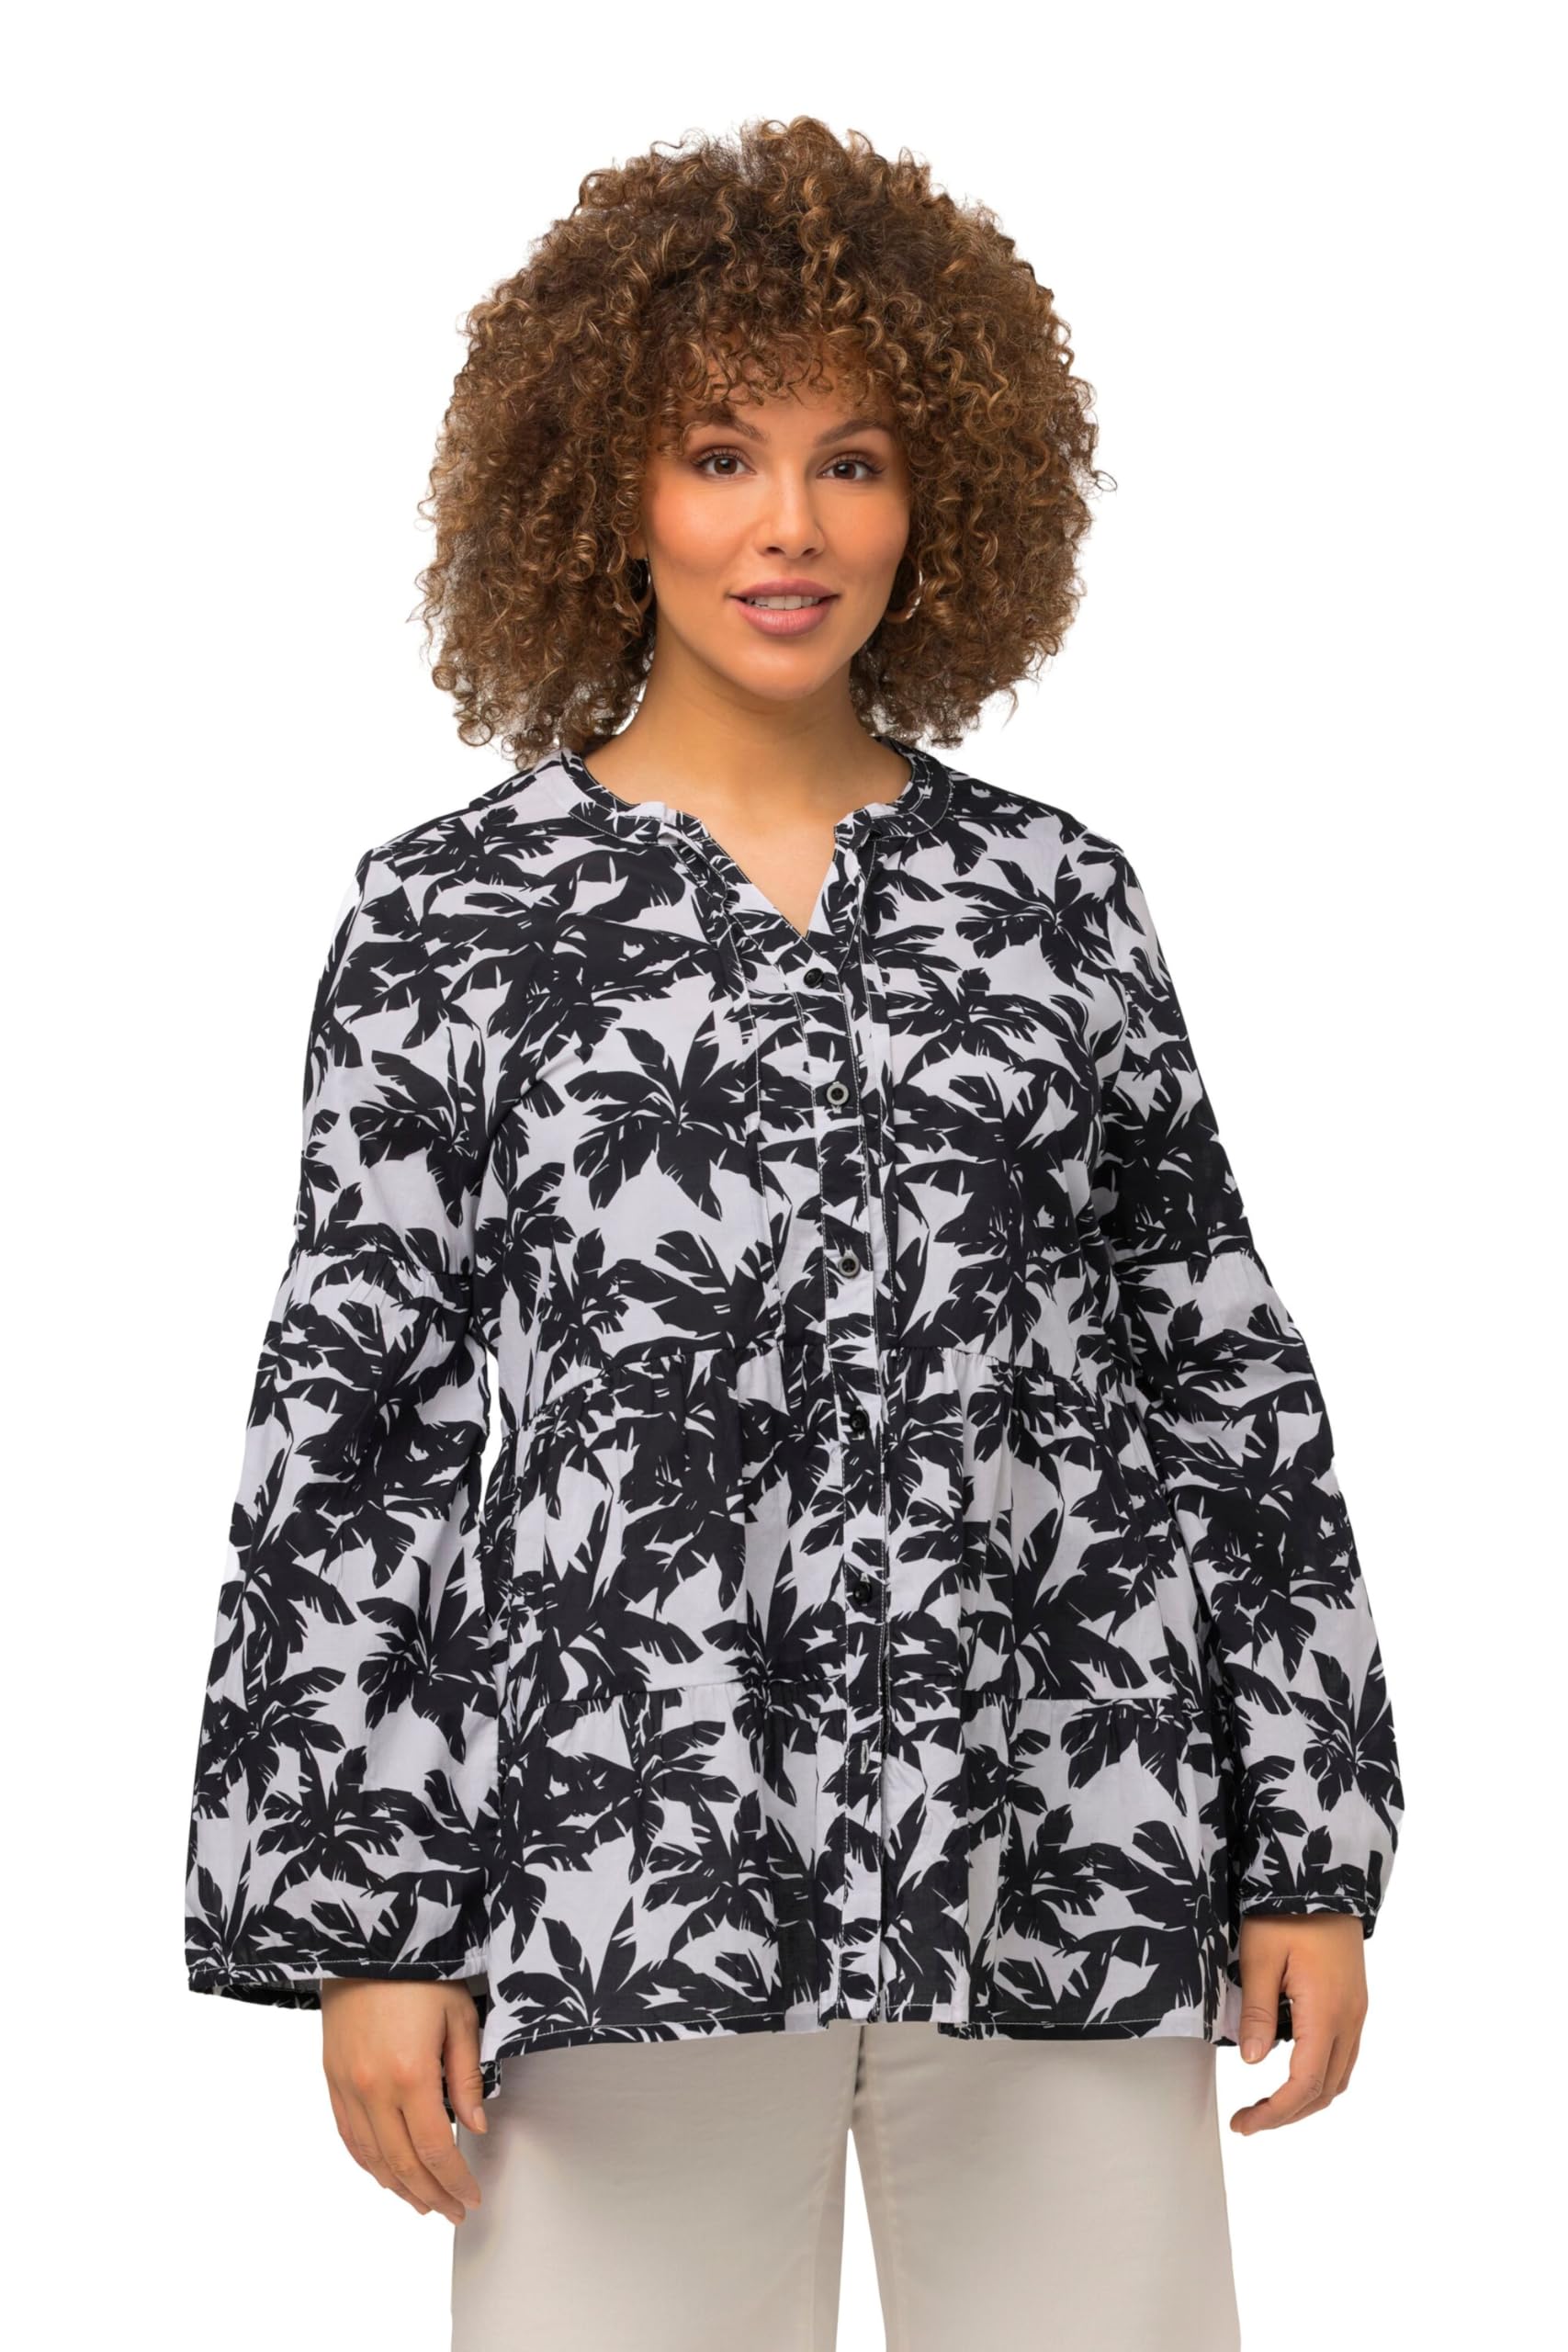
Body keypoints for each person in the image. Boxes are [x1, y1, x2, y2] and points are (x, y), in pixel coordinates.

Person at [184, 115, 1404, 2352]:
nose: (789, 526)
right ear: (601, 485)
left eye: (852, 461)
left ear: (940, 497)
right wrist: (368, 1914)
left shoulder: (1053, 903)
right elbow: (358, 1421)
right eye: (719, 455)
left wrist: (1304, 1836)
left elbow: (1213, 1364)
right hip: (613, 1870)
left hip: (1060, 1832)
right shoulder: (454, 916)